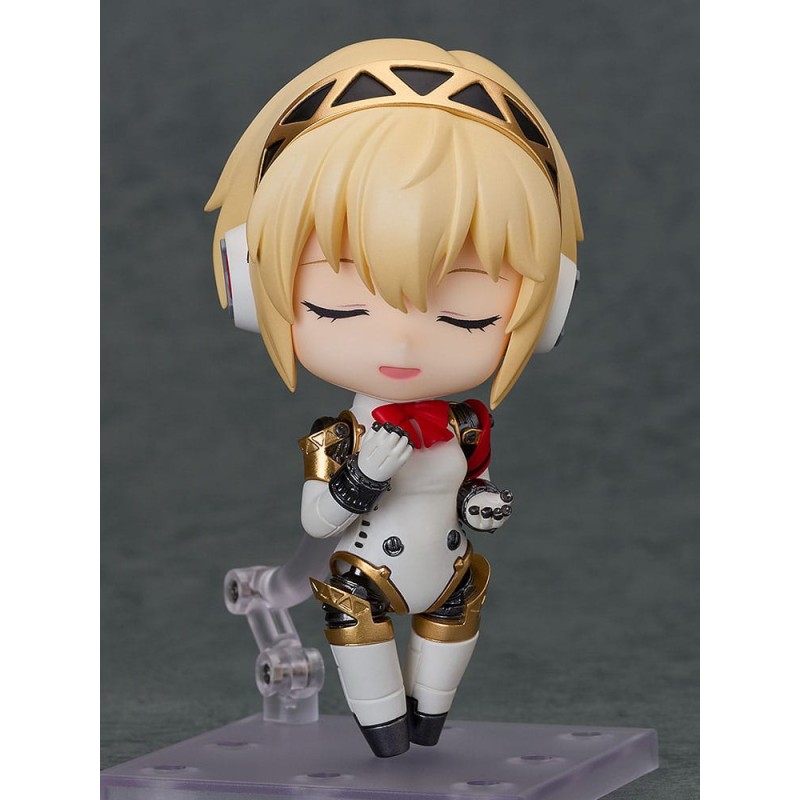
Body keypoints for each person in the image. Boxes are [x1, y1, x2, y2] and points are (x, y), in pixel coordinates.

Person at [206, 38, 582, 757]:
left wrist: (481, 504)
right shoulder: (338, 436)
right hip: (363, 576)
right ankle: (382, 730)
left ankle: (426, 717)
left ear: (551, 307)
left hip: (450, 572)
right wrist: (365, 474)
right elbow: (318, 521)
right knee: (375, 690)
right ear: (249, 286)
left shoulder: (465, 424)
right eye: (342, 308)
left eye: (466, 317)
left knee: (434, 700)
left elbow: (468, 485)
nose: (404, 344)